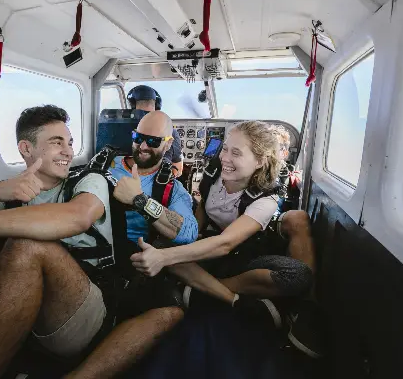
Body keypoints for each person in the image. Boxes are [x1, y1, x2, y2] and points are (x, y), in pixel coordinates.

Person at [0, 105, 183, 379]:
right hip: (17, 296)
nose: (68, 151)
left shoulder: (89, 180)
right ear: (26, 149)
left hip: (82, 305)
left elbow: (78, 216)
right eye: (58, 142)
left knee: (27, 246)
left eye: (70, 142)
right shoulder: (15, 193)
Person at [129, 121, 321, 355]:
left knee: (298, 275)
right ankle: (232, 297)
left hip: (245, 254)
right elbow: (201, 212)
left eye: (236, 153)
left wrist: (164, 258)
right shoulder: (213, 170)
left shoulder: (266, 199)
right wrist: (186, 239)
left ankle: (210, 292)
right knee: (162, 243)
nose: (225, 158)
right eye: (226, 149)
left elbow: (226, 243)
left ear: (260, 161)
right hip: (213, 246)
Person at [127, 85, 184, 176]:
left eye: (153, 141)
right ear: (157, 106)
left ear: (132, 105)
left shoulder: (117, 127)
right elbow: (178, 170)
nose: (143, 146)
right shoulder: (170, 131)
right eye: (138, 138)